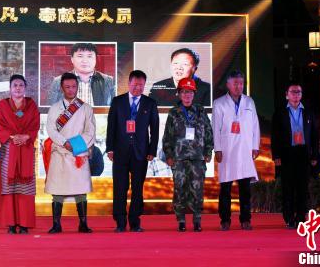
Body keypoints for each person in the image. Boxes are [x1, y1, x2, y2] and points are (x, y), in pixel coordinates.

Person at [106, 70, 159, 232]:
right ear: (128, 84)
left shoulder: (150, 103)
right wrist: (110, 148)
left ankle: (135, 221)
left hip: (141, 153)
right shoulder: (117, 101)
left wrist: (152, 150)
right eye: (135, 84)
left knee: (137, 188)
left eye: (141, 85)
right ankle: (120, 222)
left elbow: (155, 130)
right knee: (120, 188)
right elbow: (111, 127)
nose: (138, 88)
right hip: (120, 152)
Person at [45, 72, 96, 233]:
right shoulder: (54, 108)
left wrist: (73, 145)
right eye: (67, 87)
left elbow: (90, 131)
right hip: (60, 152)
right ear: (62, 88)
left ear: (77, 87)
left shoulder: (86, 108)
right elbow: (51, 130)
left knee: (80, 189)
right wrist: (64, 142)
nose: (71, 89)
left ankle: (83, 223)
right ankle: (56, 224)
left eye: (74, 86)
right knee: (57, 190)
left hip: (78, 153)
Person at [162, 77, 213, 232]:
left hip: (198, 158)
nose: (187, 95)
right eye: (184, 92)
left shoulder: (201, 111)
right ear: (179, 94)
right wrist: (169, 155)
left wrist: (208, 151)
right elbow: (167, 137)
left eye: (190, 92)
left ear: (194, 94)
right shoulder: (173, 113)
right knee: (180, 190)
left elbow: (208, 132)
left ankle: (197, 220)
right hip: (179, 159)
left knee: (197, 190)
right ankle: (181, 220)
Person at [212, 70, 260, 231]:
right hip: (227, 150)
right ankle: (225, 220)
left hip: (245, 150)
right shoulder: (219, 103)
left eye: (241, 83)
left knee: (245, 189)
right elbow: (215, 129)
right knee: (225, 188)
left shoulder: (249, 102)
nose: (239, 86)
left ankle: (245, 219)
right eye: (235, 83)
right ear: (228, 85)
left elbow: (255, 126)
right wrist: (217, 149)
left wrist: (255, 146)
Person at [0, 75, 39, 234]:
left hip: (26, 149)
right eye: (15, 85)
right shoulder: (3, 105)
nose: (18, 88)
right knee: (9, 187)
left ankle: (25, 224)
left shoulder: (31, 105)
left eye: (21, 85)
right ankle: (11, 224)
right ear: (10, 88)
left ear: (25, 87)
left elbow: (35, 126)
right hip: (9, 149)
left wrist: (26, 136)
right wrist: (13, 137)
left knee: (25, 187)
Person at [271, 82, 319, 229]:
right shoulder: (280, 112)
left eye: (298, 92)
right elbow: (275, 136)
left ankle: (300, 217)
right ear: (287, 95)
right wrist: (276, 156)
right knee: (288, 188)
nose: (296, 95)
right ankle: (289, 218)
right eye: (293, 92)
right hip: (287, 154)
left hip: (304, 153)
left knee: (302, 188)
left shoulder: (309, 112)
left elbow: (314, 136)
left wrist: (314, 155)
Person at [47, 43, 115, 106]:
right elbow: (51, 109)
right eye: (80, 56)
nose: (85, 60)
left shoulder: (108, 81)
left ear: (96, 59)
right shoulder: (58, 81)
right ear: (72, 59)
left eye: (89, 56)